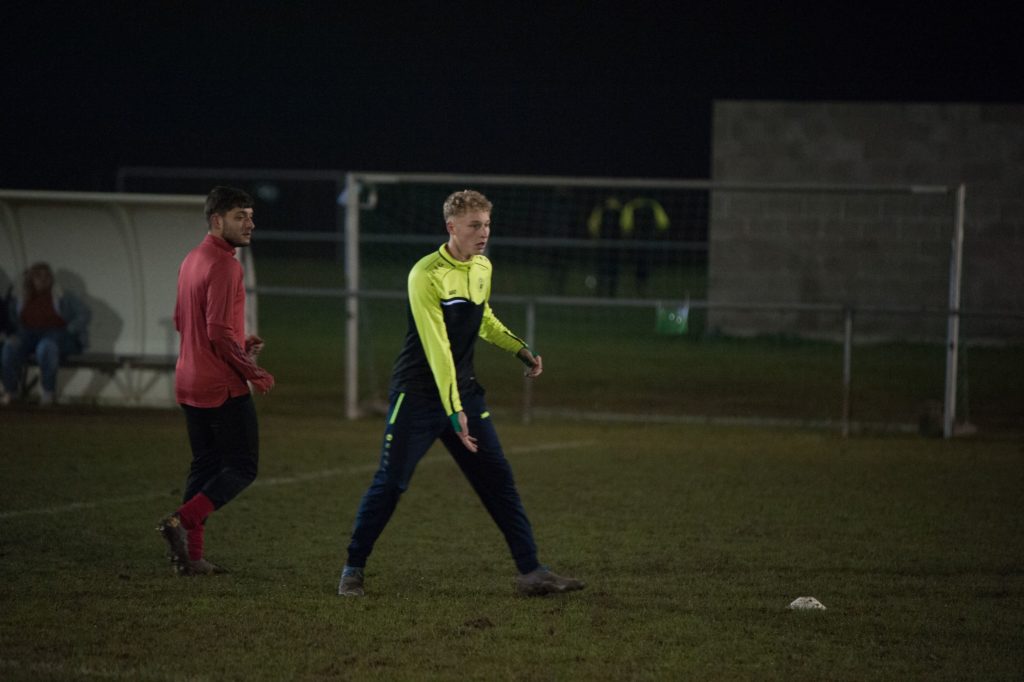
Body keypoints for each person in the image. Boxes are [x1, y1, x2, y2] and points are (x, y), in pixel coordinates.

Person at [337, 189, 584, 597]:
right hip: (417, 395)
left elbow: (483, 319)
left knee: (498, 480)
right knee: (392, 482)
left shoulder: (483, 267)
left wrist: (520, 349)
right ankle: (352, 569)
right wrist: (454, 412)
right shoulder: (425, 274)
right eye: (474, 226)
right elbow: (437, 349)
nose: (483, 233)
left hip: (463, 395)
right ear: (451, 227)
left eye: (487, 224)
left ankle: (531, 571)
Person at [156, 186, 275, 576]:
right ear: (216, 220)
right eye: (241, 216)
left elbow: (182, 321)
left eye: (251, 216)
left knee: (205, 465)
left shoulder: (192, 259)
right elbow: (219, 332)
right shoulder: (226, 265)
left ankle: (191, 557)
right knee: (242, 467)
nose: (250, 223)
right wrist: (251, 369)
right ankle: (181, 521)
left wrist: (240, 344)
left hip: (188, 381)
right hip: (220, 386)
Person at [1, 262, 90, 406]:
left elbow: (84, 314)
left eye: (47, 276)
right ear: (31, 279)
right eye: (38, 276)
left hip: (56, 332)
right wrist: (12, 333)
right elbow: (11, 318)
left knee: (46, 347)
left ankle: (48, 392)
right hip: (27, 332)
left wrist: (70, 329)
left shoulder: (63, 295)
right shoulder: (19, 296)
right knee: (10, 347)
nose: (43, 279)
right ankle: (11, 391)